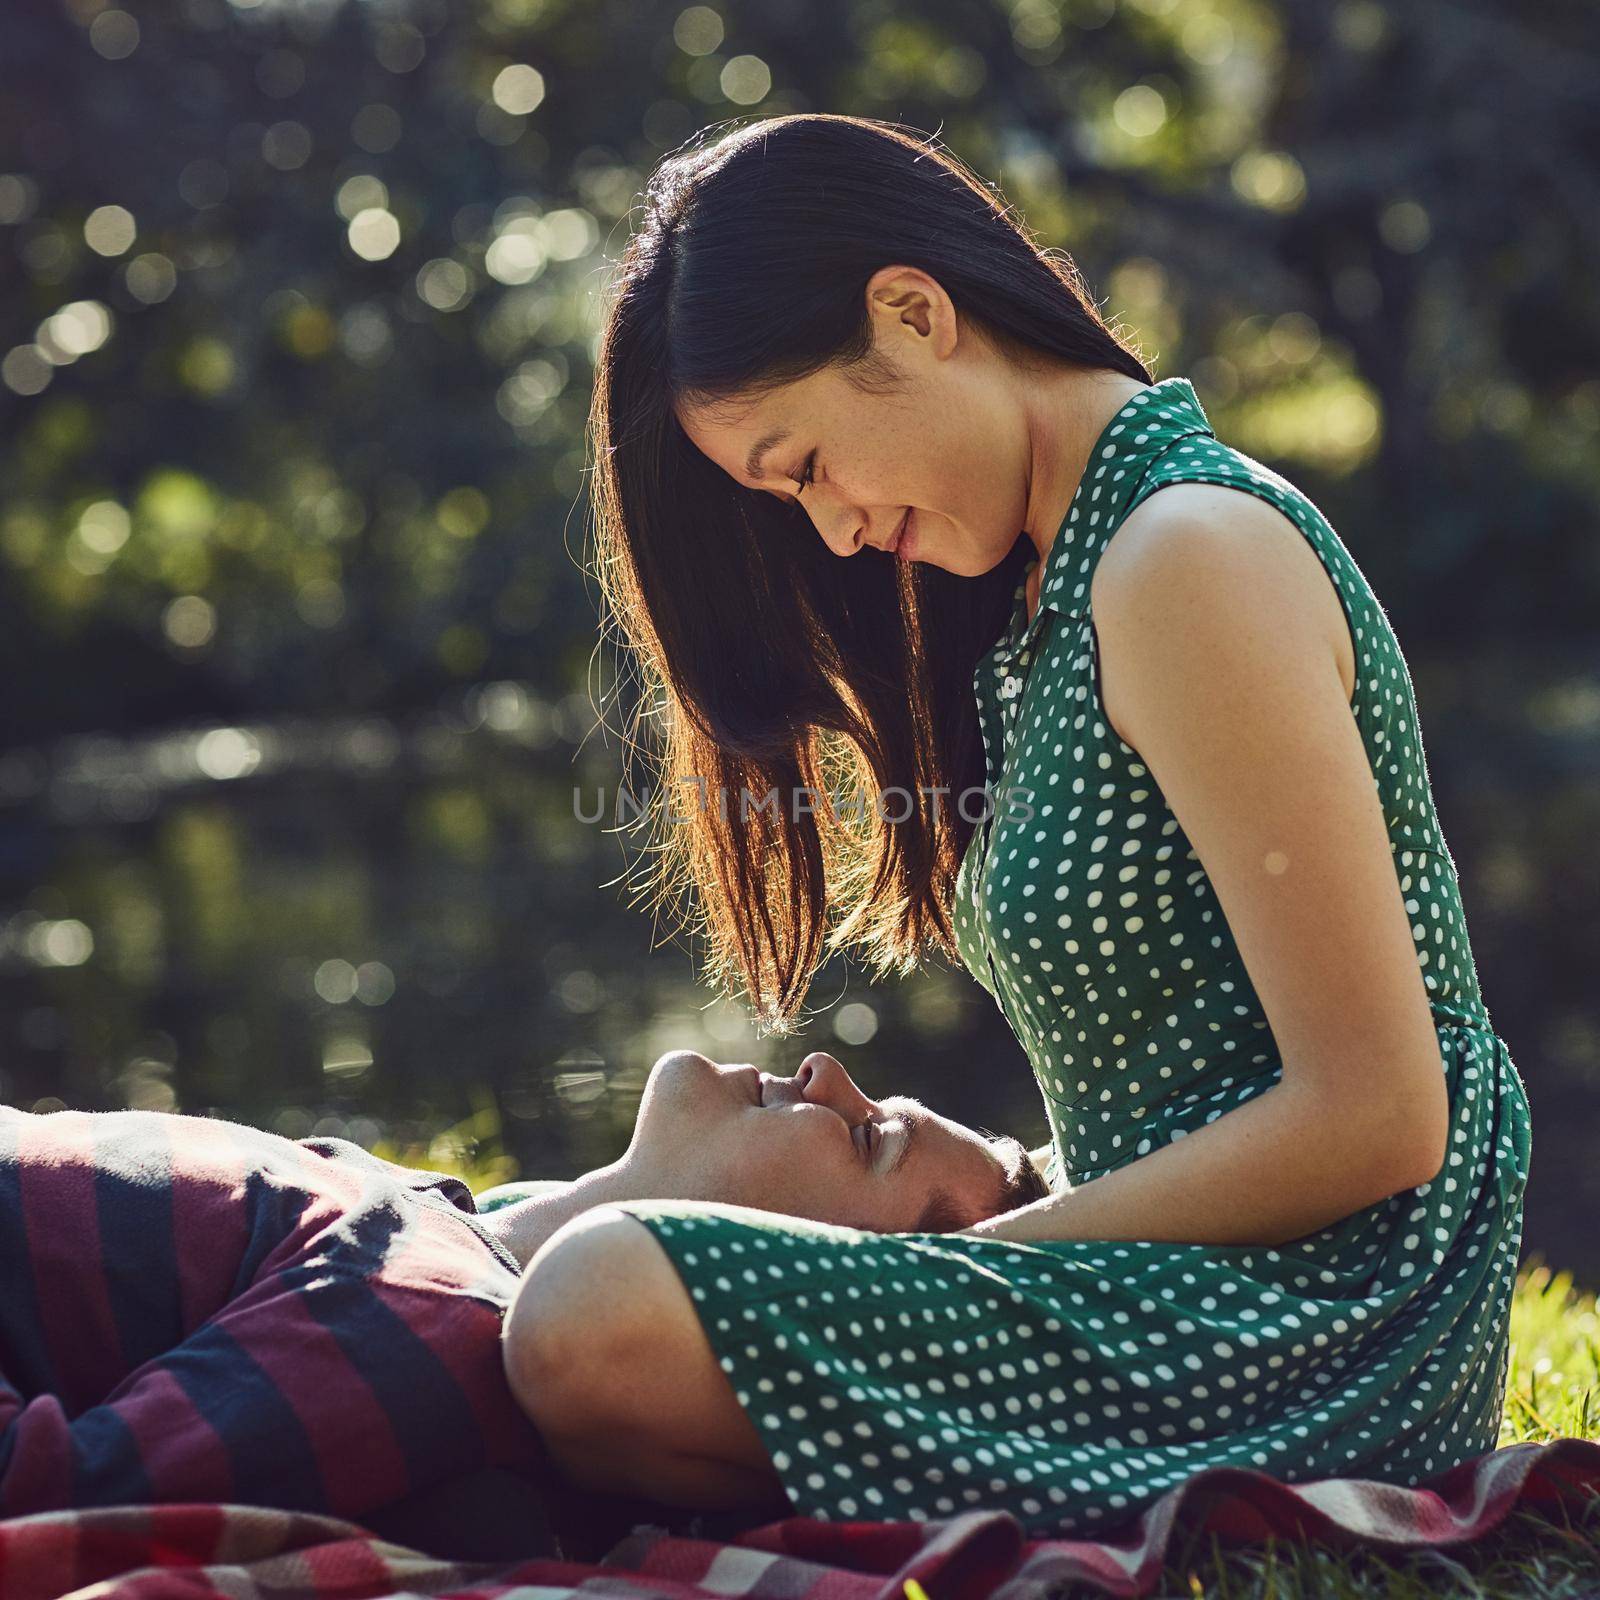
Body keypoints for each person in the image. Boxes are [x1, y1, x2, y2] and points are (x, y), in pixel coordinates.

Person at [504, 113, 1533, 1534]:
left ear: (914, 314)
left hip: (1323, 1324)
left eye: (806, 466)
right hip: (1184, 1288)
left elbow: (1380, 1116)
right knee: (574, 1277)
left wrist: (998, 1253)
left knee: (596, 1306)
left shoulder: (1187, 555)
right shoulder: (1047, 605)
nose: (837, 531)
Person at [0, 1052, 1041, 1525]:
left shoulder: (434, 1315)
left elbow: (61, 1504)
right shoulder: (448, 1217)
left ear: (790, 1273)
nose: (824, 1069)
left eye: (867, 1136)